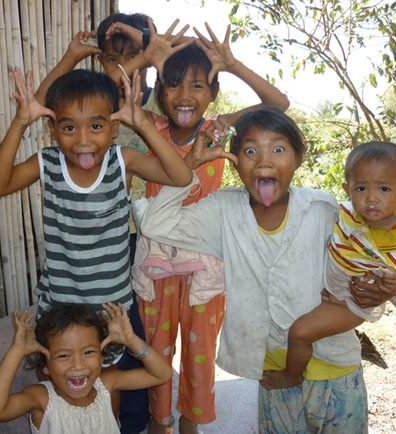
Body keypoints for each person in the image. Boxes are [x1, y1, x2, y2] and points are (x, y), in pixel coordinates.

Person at [138, 107, 378, 432]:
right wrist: (189, 165)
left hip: (335, 365)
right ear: (233, 159)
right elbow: (155, 223)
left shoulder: (323, 210)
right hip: (273, 373)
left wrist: (373, 286)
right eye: (250, 151)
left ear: (298, 158)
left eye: (278, 149)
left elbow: (367, 265)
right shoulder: (223, 210)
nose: (264, 162)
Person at [136, 24, 290, 434]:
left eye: (198, 85)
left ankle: (191, 422)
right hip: (157, 261)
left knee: (200, 353)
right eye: (172, 84)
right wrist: (147, 57)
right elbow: (105, 100)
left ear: (214, 93)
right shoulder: (147, 127)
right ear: (158, 90)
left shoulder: (217, 128)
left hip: (208, 263)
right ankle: (160, 421)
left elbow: (279, 103)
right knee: (157, 350)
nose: (185, 96)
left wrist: (234, 64)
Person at [0, 66, 192, 319]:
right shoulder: (48, 163)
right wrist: (20, 122)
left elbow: (181, 177)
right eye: (69, 128)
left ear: (114, 128)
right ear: (52, 129)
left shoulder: (122, 161)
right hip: (60, 305)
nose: (83, 140)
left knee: (109, 360)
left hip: (112, 307)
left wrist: (143, 126)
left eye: (95, 126)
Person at [272, 141, 396, 388]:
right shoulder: (345, 213)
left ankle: (291, 376)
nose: (372, 198)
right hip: (332, 289)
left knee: (300, 333)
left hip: (353, 304)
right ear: (348, 189)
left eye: (384, 189)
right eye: (361, 188)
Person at [0, 302, 172, 433]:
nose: (78, 365)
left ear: (101, 355)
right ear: (45, 365)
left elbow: (162, 374)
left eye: (88, 352)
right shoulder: (42, 398)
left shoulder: (106, 383)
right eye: (64, 356)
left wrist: (131, 340)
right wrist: (17, 351)